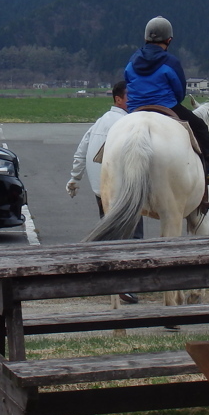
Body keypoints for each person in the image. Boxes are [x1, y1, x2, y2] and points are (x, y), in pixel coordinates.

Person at [124, 16, 209, 182]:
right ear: (169, 40)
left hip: (135, 108)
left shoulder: (132, 60)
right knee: (199, 126)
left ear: (145, 38)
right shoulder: (170, 61)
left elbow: (127, 79)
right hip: (165, 105)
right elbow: (179, 90)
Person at [66, 80, 142, 303]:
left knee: (107, 233)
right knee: (131, 236)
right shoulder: (126, 123)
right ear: (118, 99)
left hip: (100, 189)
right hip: (121, 189)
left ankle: (102, 279)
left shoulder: (100, 122)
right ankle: (125, 284)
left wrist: (74, 178)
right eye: (130, 97)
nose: (134, 100)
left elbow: (81, 151)